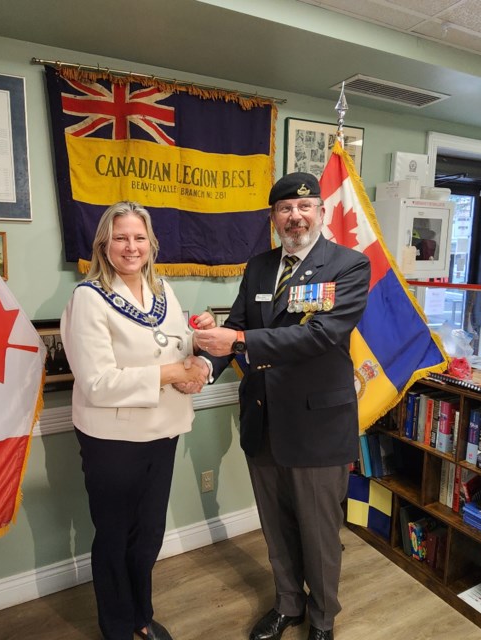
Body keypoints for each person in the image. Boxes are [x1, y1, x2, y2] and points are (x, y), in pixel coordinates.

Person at [192, 173, 370, 640]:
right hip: (263, 417)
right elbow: (237, 326)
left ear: (321, 214)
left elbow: (321, 334)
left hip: (317, 424)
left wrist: (239, 338)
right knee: (276, 526)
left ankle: (323, 619)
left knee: (319, 531)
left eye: (304, 208)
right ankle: (288, 603)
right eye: (285, 209)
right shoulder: (259, 267)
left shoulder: (348, 266)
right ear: (273, 218)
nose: (295, 217)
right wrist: (210, 356)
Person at [60, 201, 208, 640]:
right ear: (103, 244)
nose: (131, 246)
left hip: (163, 432)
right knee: (115, 537)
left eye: (139, 238)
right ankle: (118, 626)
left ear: (151, 244)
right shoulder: (87, 299)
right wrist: (170, 374)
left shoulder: (162, 289)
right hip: (113, 439)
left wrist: (195, 363)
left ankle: (141, 614)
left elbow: (178, 347)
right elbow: (98, 382)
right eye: (121, 237)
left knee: (148, 535)